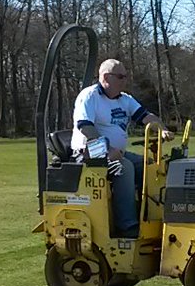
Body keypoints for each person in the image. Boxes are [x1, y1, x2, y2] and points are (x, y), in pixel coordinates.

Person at [70, 59, 172, 238]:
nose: (125, 80)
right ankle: (128, 226)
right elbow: (85, 127)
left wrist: (162, 128)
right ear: (106, 77)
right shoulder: (90, 96)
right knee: (125, 168)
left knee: (150, 166)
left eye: (125, 76)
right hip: (90, 151)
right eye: (120, 77)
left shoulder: (125, 99)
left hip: (116, 151)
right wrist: (107, 149)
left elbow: (146, 116)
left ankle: (150, 216)